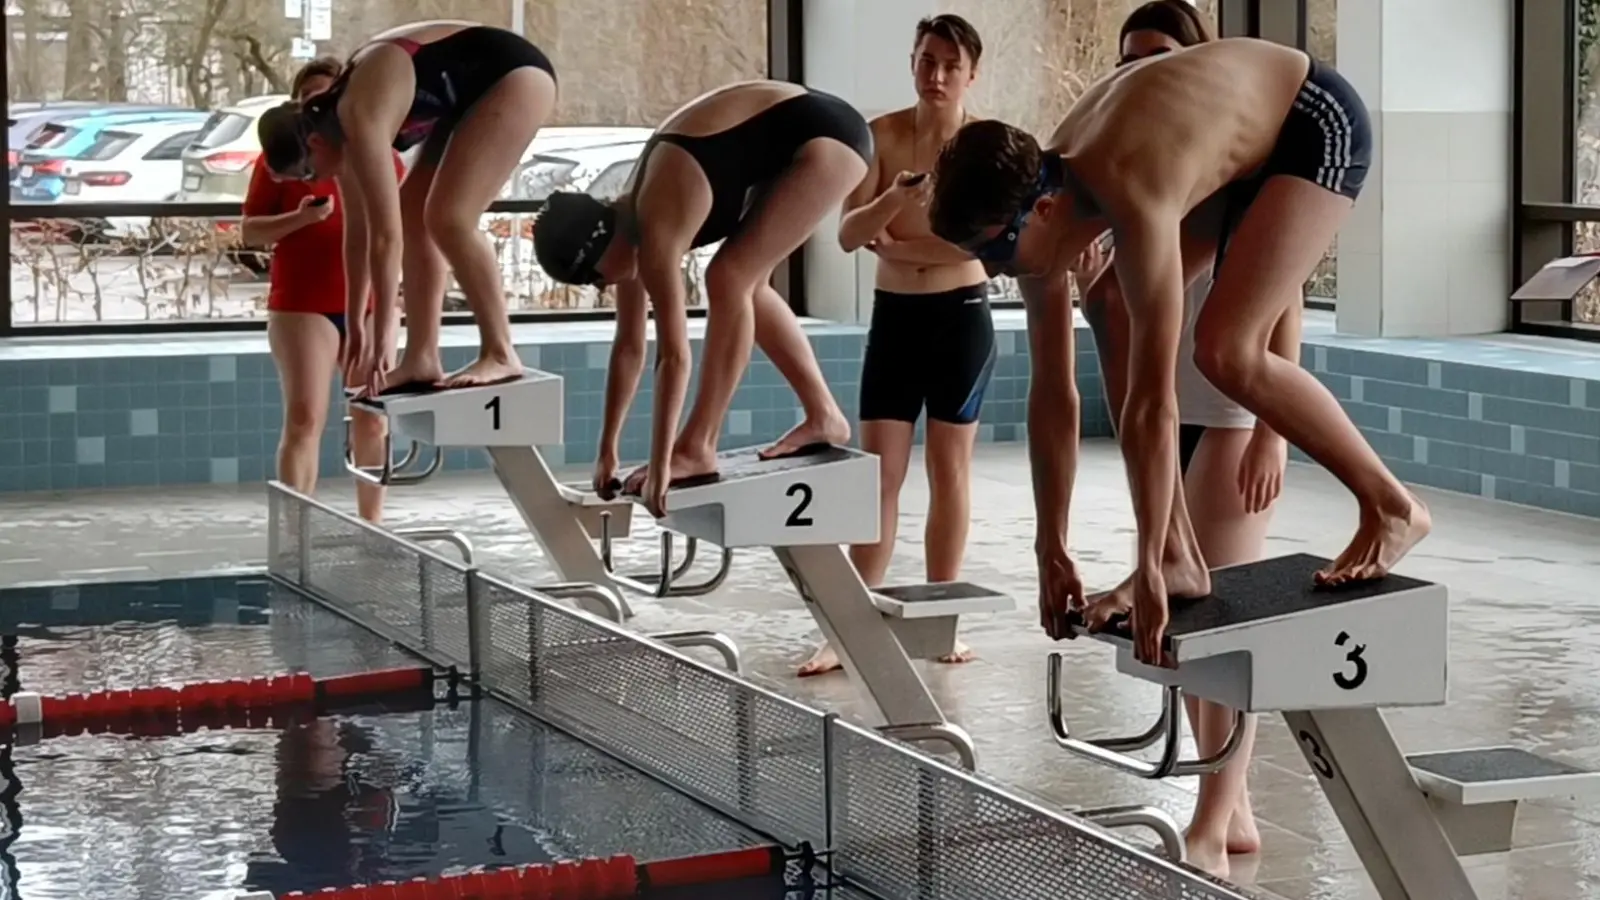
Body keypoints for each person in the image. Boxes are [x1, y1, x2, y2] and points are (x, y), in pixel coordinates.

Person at [925, 37, 1430, 669]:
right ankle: (1180, 558)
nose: (993, 270)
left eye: (993, 254)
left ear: (1044, 211)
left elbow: (1153, 404)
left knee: (1225, 349)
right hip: (1233, 145)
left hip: (1311, 119)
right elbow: (1053, 393)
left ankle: (1392, 507)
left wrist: (1142, 564)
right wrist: (1049, 546)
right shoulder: (1031, 203)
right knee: (1106, 303)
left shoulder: (1134, 185)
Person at [1067, 1, 1285, 877]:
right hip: (1167, 416)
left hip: (1231, 415)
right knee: (1189, 624)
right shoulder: (1129, 177)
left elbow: (1284, 309)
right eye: (1128, 59)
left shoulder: (1228, 170)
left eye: (1158, 57)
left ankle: (1210, 819)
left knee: (1220, 623)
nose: (1140, 72)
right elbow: (1121, 344)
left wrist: (1272, 429)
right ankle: (1232, 807)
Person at [532, 81, 869, 517]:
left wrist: (665, 462)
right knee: (748, 281)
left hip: (829, 136)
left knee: (730, 277)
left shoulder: (653, 224)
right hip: (792, 137)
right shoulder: (626, 226)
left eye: (594, 277)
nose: (601, 286)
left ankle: (700, 443)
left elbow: (674, 357)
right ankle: (824, 416)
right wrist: (606, 450)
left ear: (601, 245)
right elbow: (630, 347)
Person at [800, 14, 995, 678]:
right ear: (912, 63)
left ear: (972, 73)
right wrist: (893, 197)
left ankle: (942, 620)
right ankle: (851, 626)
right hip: (896, 318)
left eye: (949, 64)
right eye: (925, 60)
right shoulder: (880, 136)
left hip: (961, 316)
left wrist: (903, 245)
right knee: (878, 474)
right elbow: (850, 234)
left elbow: (980, 247)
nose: (935, 75)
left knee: (949, 470)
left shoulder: (981, 148)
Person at [256, 21, 559, 397]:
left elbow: (386, 237)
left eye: (308, 172)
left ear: (315, 143)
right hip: (465, 94)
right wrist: (355, 327)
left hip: (514, 77)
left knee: (450, 218)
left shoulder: (357, 113)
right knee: (414, 212)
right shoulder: (337, 134)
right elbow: (360, 235)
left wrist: (383, 333)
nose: (314, 180)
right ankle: (421, 357)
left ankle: (500, 351)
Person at [243, 58, 404, 523]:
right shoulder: (281, 159)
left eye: (327, 98)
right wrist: (302, 218)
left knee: (372, 412)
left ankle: (372, 525)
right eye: (308, 99)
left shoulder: (378, 155)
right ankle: (298, 530)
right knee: (305, 417)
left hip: (371, 300)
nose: (318, 108)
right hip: (304, 304)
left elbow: (396, 235)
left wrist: (398, 302)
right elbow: (250, 232)